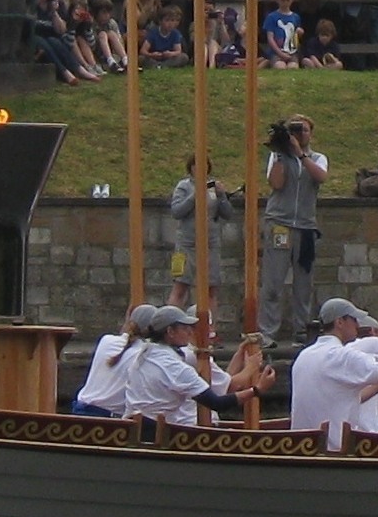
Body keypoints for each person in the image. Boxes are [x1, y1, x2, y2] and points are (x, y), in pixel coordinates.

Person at [115, 306, 270, 426]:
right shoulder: (175, 366)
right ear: (170, 331)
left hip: (133, 424)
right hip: (157, 430)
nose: (190, 332)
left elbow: (222, 381)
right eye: (184, 328)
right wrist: (256, 389)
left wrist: (240, 357)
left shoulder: (145, 351)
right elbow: (217, 403)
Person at [291, 298, 378, 450]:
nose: (358, 325)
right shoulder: (342, 356)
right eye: (353, 320)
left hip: (301, 448)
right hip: (335, 450)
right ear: (340, 322)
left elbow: (345, 398)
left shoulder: (304, 355)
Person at [262, 115, 328, 341]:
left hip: (305, 227)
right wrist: (282, 150)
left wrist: (301, 154)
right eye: (295, 130)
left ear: (312, 133)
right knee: (273, 281)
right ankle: (268, 332)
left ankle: (301, 330)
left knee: (303, 284)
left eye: (304, 130)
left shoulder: (318, 158)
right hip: (280, 223)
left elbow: (321, 177)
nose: (300, 134)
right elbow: (276, 184)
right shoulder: (277, 156)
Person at [167, 155, 236, 310]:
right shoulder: (183, 186)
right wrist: (194, 196)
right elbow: (177, 211)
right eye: (196, 165)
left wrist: (222, 195)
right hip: (187, 244)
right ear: (190, 168)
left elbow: (227, 213)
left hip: (210, 244)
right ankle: (170, 322)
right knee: (181, 285)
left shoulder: (213, 187)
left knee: (211, 289)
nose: (200, 169)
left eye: (204, 165)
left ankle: (210, 328)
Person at [72, 304, 160, 415]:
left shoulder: (106, 340)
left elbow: (126, 339)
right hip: (108, 418)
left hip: (80, 408)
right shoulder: (146, 353)